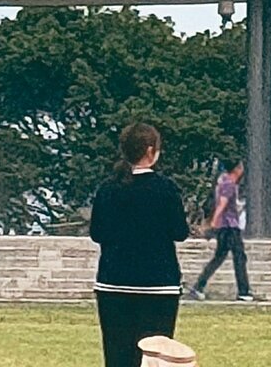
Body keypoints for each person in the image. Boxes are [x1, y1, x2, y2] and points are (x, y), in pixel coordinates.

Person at [89, 122, 191, 367]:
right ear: (150, 150)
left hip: (113, 283)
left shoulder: (108, 189)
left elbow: (97, 234)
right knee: (155, 359)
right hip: (158, 285)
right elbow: (180, 232)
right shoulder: (165, 189)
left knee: (117, 357)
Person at [186, 159, 252, 301]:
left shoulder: (223, 182)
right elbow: (222, 203)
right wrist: (215, 220)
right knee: (239, 257)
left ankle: (199, 286)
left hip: (226, 225)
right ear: (236, 168)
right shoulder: (228, 183)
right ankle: (244, 291)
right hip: (229, 226)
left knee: (220, 257)